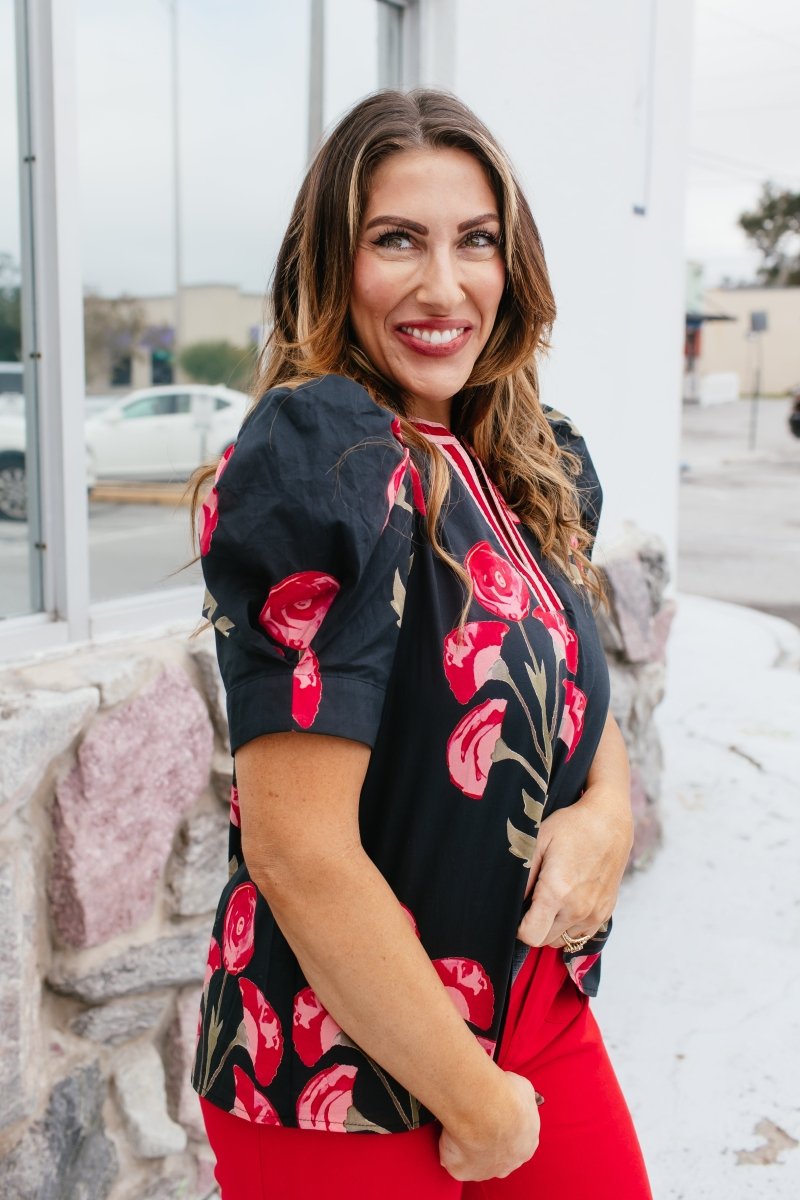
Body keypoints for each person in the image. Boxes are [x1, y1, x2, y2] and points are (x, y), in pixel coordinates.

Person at [190, 88, 652, 1199]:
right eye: (396, 239)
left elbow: (571, 694)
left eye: (475, 241)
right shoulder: (323, 458)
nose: (444, 287)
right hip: (343, 1063)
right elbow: (298, 853)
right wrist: (477, 1104)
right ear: (332, 265)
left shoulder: (529, 462)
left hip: (534, 1016)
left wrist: (611, 811)